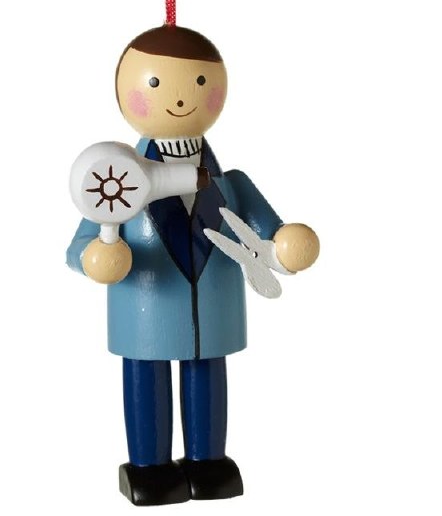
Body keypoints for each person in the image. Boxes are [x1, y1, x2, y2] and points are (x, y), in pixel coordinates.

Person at [66, 25, 319, 506]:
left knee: (206, 372)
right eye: (156, 83)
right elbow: (80, 243)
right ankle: (149, 467)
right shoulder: (116, 180)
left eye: (200, 83)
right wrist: (94, 257)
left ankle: (207, 460)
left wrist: (284, 247)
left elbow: (269, 233)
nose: (182, 97)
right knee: (146, 375)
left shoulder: (232, 182)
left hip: (212, 308)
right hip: (146, 304)